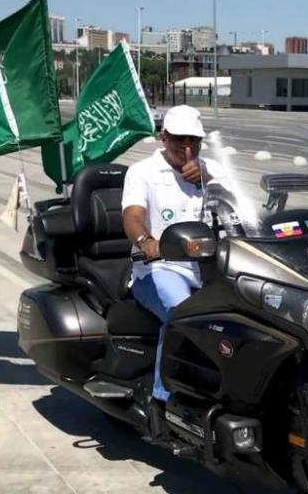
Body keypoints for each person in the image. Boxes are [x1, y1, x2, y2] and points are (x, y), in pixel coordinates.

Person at [121, 105, 208, 406]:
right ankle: (164, 400)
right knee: (182, 313)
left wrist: (207, 176)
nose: (187, 148)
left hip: (209, 268)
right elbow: (132, 216)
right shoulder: (142, 172)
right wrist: (147, 241)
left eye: (193, 141)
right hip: (158, 269)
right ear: (163, 137)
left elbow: (242, 204)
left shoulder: (208, 170)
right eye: (179, 140)